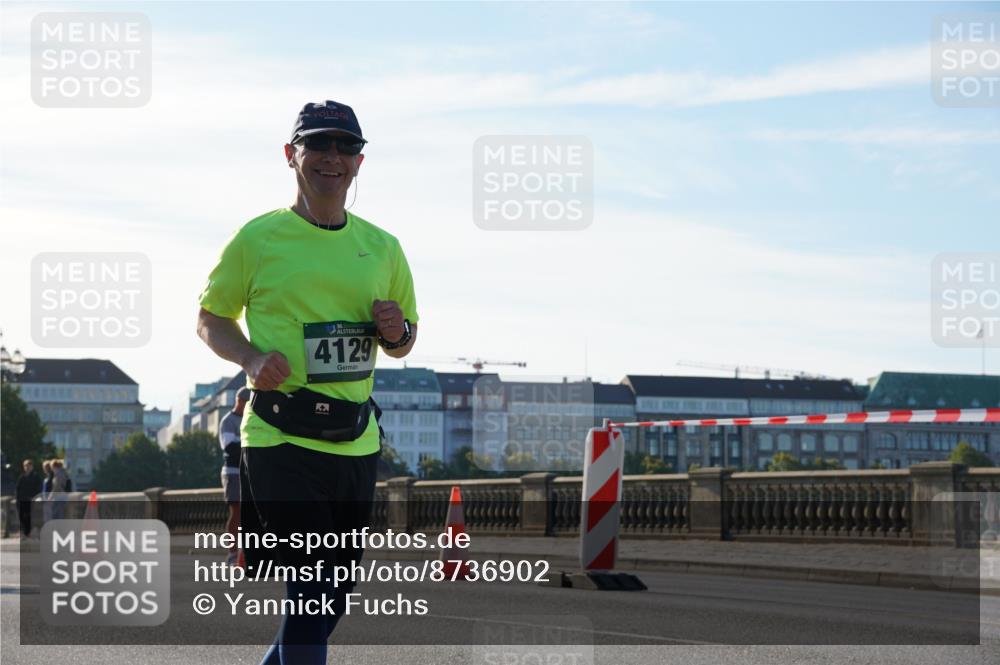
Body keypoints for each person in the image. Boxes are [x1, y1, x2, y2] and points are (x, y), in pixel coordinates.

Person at [196, 100, 418, 665]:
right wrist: (248, 359)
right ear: (292, 154)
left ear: (360, 162)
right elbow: (210, 318)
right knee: (312, 587)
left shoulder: (384, 246)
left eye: (345, 147)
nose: (332, 158)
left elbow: (403, 340)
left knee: (330, 599)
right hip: (280, 439)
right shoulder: (258, 237)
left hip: (356, 441)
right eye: (319, 145)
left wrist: (397, 331)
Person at [219, 387, 250, 566]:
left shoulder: (250, 419)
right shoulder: (228, 421)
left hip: (247, 471)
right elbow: (230, 448)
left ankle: (244, 554)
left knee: (249, 513)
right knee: (236, 511)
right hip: (232, 471)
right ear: (240, 401)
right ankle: (232, 553)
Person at [14, 460, 42, 538]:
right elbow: (17, 489)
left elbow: (39, 489)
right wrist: (17, 499)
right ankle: (24, 533)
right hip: (22, 500)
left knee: (30, 517)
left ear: (32, 467)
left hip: (31, 499)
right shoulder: (21, 477)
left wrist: (34, 497)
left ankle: (30, 533)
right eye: (26, 466)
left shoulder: (36, 477)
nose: (27, 468)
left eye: (29, 466)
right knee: (22, 517)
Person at [41, 460, 54, 524]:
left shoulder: (52, 477)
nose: (44, 469)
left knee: (49, 517)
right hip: (45, 499)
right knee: (46, 517)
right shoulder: (47, 477)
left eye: (45, 467)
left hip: (50, 499)